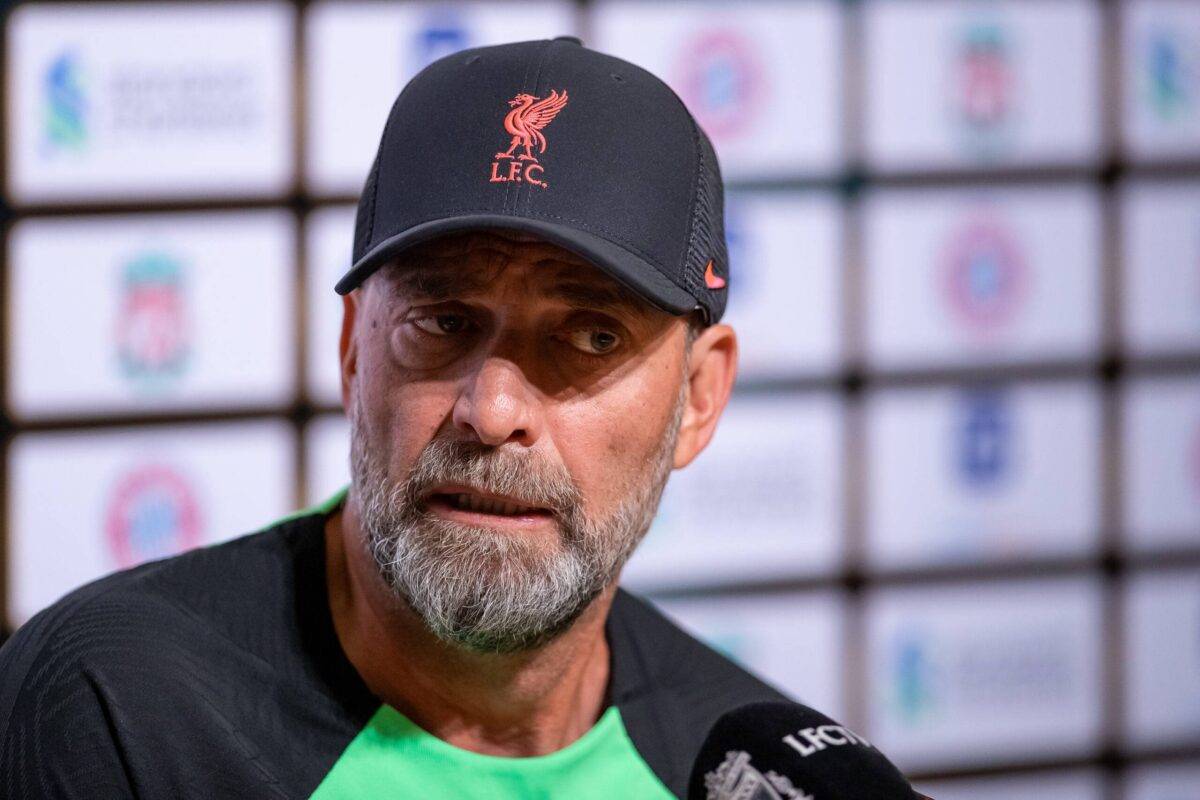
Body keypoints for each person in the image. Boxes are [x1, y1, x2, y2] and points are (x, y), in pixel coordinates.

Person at [0, 38, 798, 798]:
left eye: (591, 336)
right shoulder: (113, 709)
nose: (491, 412)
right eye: (443, 321)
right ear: (354, 352)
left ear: (699, 396)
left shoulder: (750, 778)